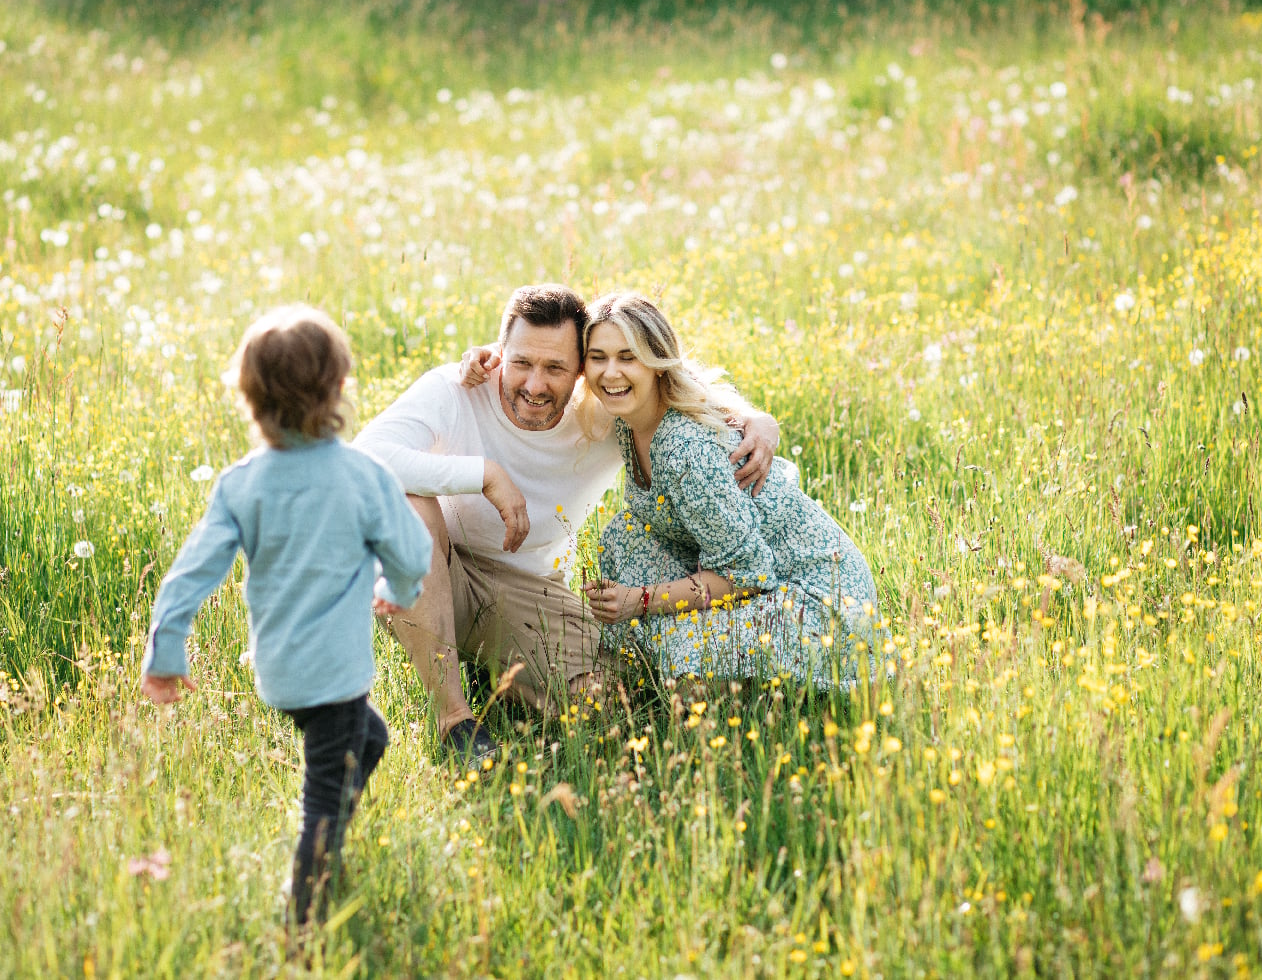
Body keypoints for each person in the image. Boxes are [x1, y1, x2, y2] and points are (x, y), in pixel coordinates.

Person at [353, 284, 780, 765]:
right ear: (500, 352)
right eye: (521, 363)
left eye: (555, 368)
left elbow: (672, 388)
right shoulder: (456, 389)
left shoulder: (602, 413)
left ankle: (489, 661)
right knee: (405, 502)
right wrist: (484, 474)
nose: (535, 385)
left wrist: (756, 418)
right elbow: (363, 459)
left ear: (581, 370)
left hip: (526, 589)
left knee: (607, 704)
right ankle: (454, 719)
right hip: (437, 563)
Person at [139, 305, 432, 927]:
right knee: (324, 796)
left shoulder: (242, 485)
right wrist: (398, 590)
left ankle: (325, 856)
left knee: (371, 740)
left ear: (247, 396)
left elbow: (187, 577)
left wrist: (165, 658)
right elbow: (413, 552)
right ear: (339, 389)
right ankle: (306, 919)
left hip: (279, 671)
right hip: (336, 674)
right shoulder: (362, 476)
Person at [578, 292, 877, 688]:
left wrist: (642, 599)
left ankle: (744, 698)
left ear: (657, 364)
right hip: (756, 574)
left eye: (628, 357)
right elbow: (544, 359)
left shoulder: (684, 448)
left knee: (680, 648)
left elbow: (749, 574)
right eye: (598, 357)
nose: (611, 372)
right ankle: (651, 673)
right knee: (626, 536)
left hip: (818, 596)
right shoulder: (629, 417)